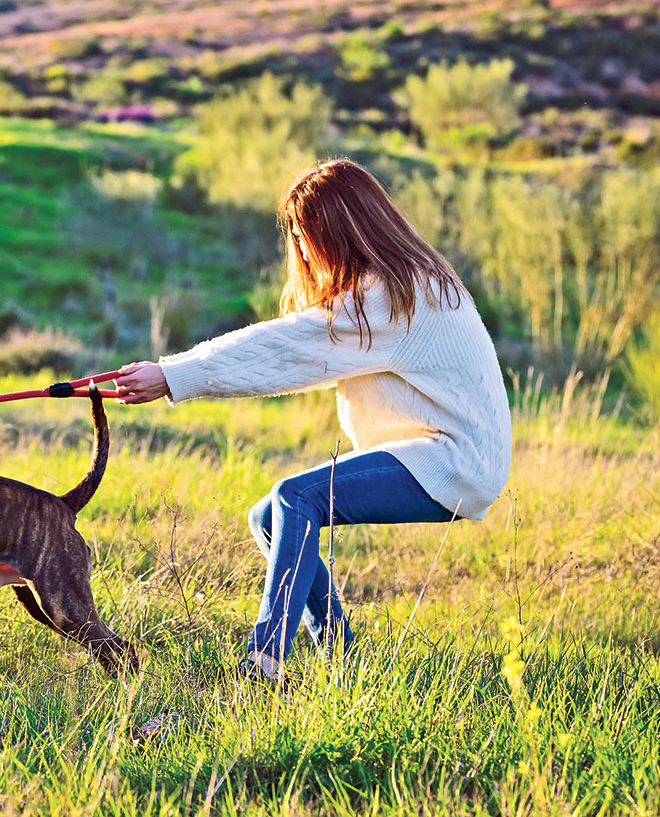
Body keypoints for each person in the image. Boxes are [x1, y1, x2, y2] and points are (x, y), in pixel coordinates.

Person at [116, 158, 511, 685]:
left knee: (294, 497)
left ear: (341, 230)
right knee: (269, 517)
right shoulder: (400, 283)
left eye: (306, 235)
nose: (300, 250)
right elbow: (297, 351)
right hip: (441, 450)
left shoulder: (391, 298)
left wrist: (172, 375)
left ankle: (265, 660)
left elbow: (284, 347)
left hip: (456, 458)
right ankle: (346, 662)